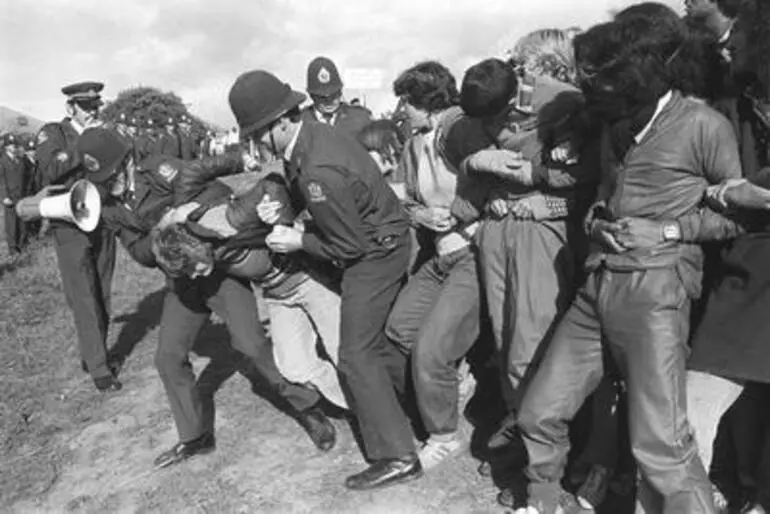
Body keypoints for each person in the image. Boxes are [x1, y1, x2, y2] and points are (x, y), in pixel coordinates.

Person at [514, 8, 743, 512]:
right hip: (597, 286)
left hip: (657, 290)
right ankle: (544, 501)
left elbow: (737, 217)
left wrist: (667, 229)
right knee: (538, 411)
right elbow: (601, 195)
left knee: (661, 445)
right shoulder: (614, 124)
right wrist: (597, 222)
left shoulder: (704, 125)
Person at [66, 127, 337, 468]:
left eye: (114, 173)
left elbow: (216, 190)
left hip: (216, 270)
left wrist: (186, 212)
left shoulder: (159, 169)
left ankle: (307, 407)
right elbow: (138, 252)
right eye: (104, 179)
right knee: (167, 358)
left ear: (127, 162)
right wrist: (161, 231)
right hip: (181, 282)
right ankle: (195, 436)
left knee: (251, 344)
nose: (113, 183)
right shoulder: (106, 205)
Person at [229, 69, 420, 490]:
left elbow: (348, 247)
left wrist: (298, 240)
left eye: (259, 134)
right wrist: (280, 212)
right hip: (374, 242)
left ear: (281, 121)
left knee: (354, 354)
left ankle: (398, 455)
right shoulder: (307, 140)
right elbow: (305, 198)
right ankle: (415, 411)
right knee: (378, 343)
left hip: (375, 254)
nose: (256, 144)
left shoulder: (317, 164)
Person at [151, 169, 347, 410]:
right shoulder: (202, 249)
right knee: (296, 368)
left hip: (307, 280)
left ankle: (381, 408)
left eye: (192, 268)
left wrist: (281, 225)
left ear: (195, 249)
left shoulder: (228, 221)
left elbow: (272, 183)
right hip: (278, 296)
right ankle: (359, 404)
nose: (194, 275)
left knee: (346, 352)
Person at [382, 61, 490, 470]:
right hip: (439, 253)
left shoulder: (462, 127)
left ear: (420, 101)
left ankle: (443, 436)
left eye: (405, 103)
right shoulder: (413, 145)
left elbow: (489, 182)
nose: (401, 112)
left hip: (473, 252)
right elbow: (407, 198)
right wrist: (420, 216)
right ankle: (447, 382)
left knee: (432, 346)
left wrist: (460, 213)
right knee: (400, 329)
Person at [34, 81, 119, 392]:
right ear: (70, 107)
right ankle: (99, 367)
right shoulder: (53, 132)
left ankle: (93, 351)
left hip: (103, 218)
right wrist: (85, 142)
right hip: (70, 221)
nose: (93, 112)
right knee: (83, 295)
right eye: (87, 107)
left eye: (96, 106)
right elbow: (51, 168)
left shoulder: (102, 132)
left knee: (103, 291)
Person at [300, 56, 372, 137]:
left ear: (341, 91)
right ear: (312, 96)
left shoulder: (360, 118)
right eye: (322, 98)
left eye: (334, 95)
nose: (329, 101)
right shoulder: (299, 122)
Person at [0, 134, 29, 255]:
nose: (13, 147)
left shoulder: (20, 160)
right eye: (10, 144)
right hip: (10, 196)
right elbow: (1, 181)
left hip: (21, 195)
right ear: (6, 147)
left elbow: (25, 178)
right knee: (11, 224)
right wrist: (4, 196)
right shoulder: (2, 161)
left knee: (21, 221)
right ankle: (12, 249)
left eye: (14, 144)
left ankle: (21, 245)